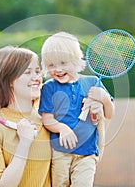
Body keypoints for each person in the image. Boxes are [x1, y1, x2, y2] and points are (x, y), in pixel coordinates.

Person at [38, 32, 114, 187]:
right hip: (60, 153)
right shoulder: (49, 88)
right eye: (51, 65)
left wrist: (104, 99)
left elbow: (109, 114)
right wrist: (62, 128)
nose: (57, 69)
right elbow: (47, 118)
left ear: (76, 60)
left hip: (87, 153)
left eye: (63, 63)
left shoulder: (92, 82)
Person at [0, 46, 51, 187]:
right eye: (27, 72)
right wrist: (24, 144)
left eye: (37, 71)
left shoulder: (48, 121)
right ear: (9, 80)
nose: (36, 78)